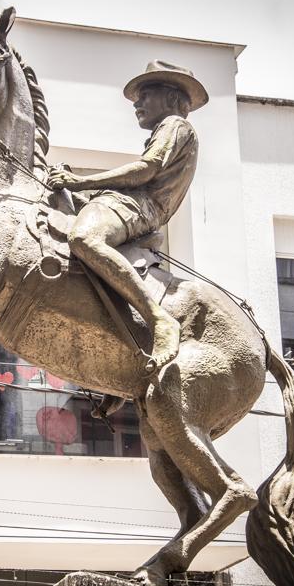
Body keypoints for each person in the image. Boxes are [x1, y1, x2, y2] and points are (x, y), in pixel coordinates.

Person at [47, 60, 207, 373]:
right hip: (130, 203)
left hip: (140, 206)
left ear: (172, 98)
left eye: (146, 94)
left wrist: (81, 181)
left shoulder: (175, 125)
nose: (137, 102)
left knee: (84, 238)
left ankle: (159, 321)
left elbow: (146, 169)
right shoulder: (169, 129)